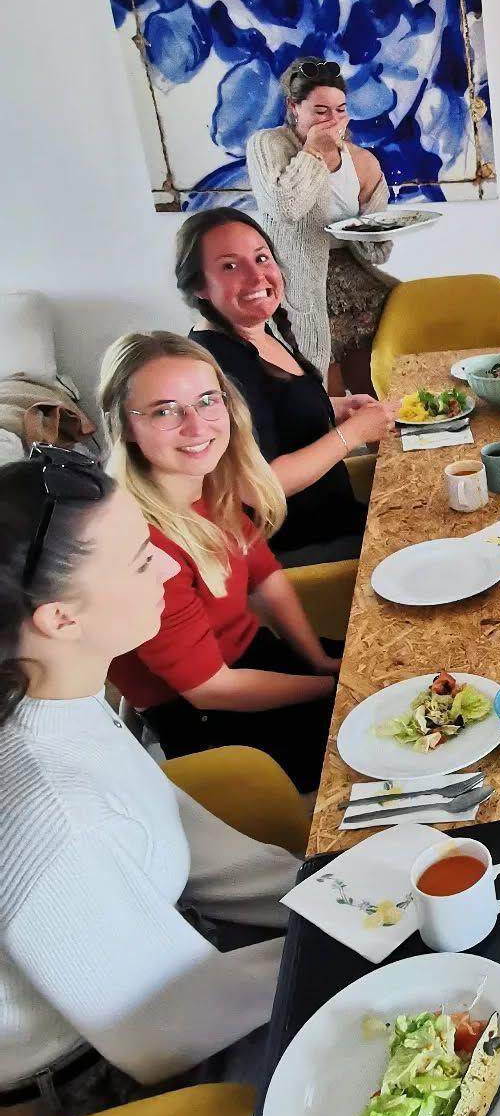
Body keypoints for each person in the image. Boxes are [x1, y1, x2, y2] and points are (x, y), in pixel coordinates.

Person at [0, 446, 295, 1116]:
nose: (168, 564)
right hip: (112, 1079)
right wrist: (343, 944)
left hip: (178, 957)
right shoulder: (52, 812)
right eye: (140, 558)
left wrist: (332, 897)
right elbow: (161, 1029)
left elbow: (169, 824)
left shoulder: (53, 692)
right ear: (60, 620)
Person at [100, 333, 341, 793]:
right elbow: (210, 688)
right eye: (166, 410)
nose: (196, 426)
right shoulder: (139, 545)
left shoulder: (204, 481)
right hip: (210, 721)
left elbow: (263, 575)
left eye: (207, 401)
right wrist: (330, 688)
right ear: (127, 426)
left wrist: (317, 658)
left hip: (254, 660)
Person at [177, 206, 394, 565]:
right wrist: (351, 435)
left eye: (262, 258)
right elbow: (260, 486)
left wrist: (335, 408)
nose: (255, 275)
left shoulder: (256, 333)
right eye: (230, 266)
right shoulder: (217, 367)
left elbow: (275, 408)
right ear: (198, 285)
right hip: (304, 549)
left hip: (339, 518)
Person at [246, 56, 392, 390]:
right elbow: (286, 206)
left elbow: (378, 251)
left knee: (377, 387)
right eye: (321, 111)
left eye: (340, 109)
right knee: (324, 390)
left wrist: (373, 225)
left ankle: (384, 441)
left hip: (357, 284)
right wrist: (313, 152)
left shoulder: (362, 160)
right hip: (299, 284)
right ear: (294, 107)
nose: (333, 119)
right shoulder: (269, 145)